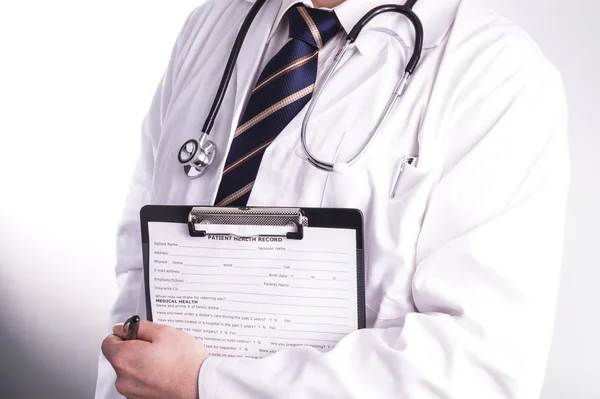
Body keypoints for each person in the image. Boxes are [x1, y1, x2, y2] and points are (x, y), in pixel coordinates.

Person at [96, 0, 570, 398]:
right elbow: (140, 269)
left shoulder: (497, 75)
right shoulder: (215, 23)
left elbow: (477, 370)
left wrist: (208, 385)